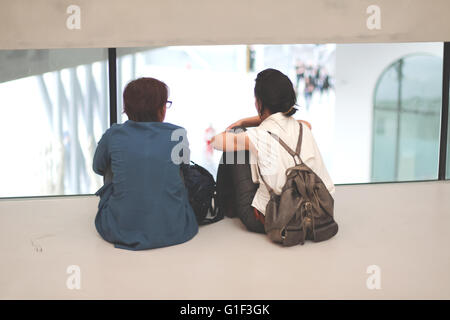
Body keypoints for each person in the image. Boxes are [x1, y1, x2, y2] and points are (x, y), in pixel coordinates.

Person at [211, 68, 335, 233]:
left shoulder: (258, 135)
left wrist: (242, 123)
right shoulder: (303, 128)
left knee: (235, 143)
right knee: (242, 144)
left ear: (259, 103)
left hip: (277, 219)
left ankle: (225, 205)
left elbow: (216, 141)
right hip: (319, 211)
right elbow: (305, 123)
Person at [93, 77, 198, 250]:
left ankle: (128, 207)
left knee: (113, 161)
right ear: (161, 108)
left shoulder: (114, 134)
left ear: (126, 108)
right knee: (175, 165)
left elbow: (98, 167)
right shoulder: (177, 133)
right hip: (175, 228)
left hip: (119, 228)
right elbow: (185, 170)